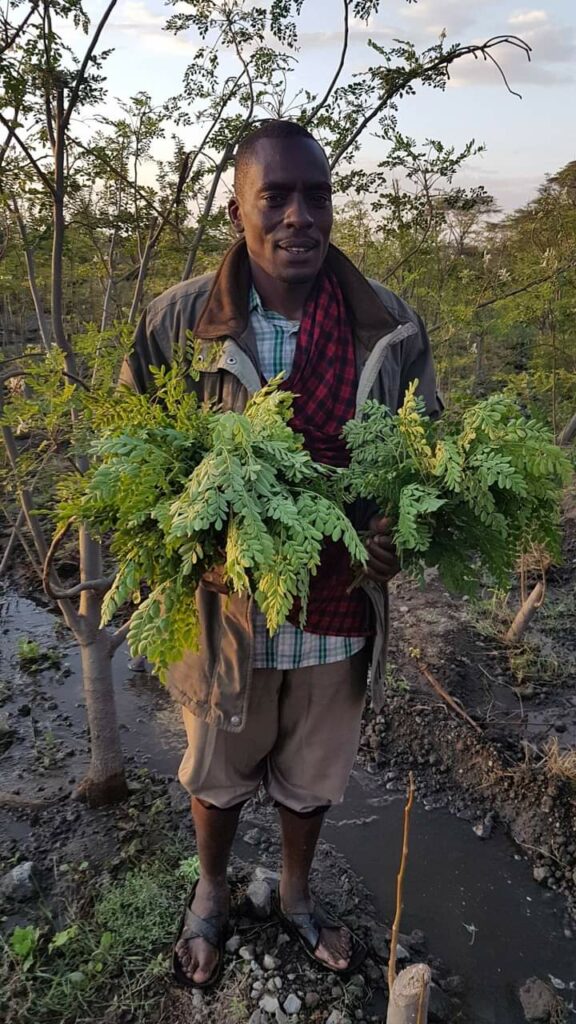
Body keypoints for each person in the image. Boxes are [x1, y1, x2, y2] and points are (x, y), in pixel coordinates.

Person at [120, 120, 442, 990]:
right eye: (278, 195)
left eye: (318, 195)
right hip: (226, 607)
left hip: (339, 607)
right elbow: (129, 458)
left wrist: (395, 532)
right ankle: (214, 892)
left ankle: (297, 891)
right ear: (239, 208)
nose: (301, 215)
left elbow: (427, 458)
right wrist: (195, 539)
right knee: (219, 765)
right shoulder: (180, 322)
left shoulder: (391, 325)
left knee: (312, 770)